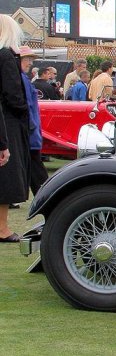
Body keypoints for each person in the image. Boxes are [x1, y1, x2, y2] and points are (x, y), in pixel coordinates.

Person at [0, 14, 30, 242]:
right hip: (7, 122)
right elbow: (13, 94)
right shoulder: (7, 57)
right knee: (7, 175)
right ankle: (2, 228)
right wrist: (22, 112)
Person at [17, 46, 47, 195]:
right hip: (29, 132)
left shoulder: (24, 79)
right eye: (27, 59)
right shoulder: (21, 79)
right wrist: (32, 128)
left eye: (30, 59)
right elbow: (27, 106)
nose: (30, 63)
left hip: (31, 131)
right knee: (38, 173)